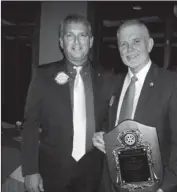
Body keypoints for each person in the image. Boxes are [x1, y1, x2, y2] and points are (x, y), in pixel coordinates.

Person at [93, 20, 177, 192]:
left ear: (150, 44)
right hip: (110, 184)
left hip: (153, 186)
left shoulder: (173, 84)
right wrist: (101, 136)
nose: (129, 49)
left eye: (136, 41)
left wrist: (162, 188)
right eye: (123, 44)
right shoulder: (112, 83)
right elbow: (108, 124)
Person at [21, 14, 114, 192]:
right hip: (52, 171)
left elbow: (111, 120)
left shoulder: (108, 77)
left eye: (83, 35)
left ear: (91, 41)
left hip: (93, 171)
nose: (77, 41)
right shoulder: (43, 76)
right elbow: (30, 124)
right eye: (70, 35)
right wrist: (30, 170)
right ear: (61, 42)